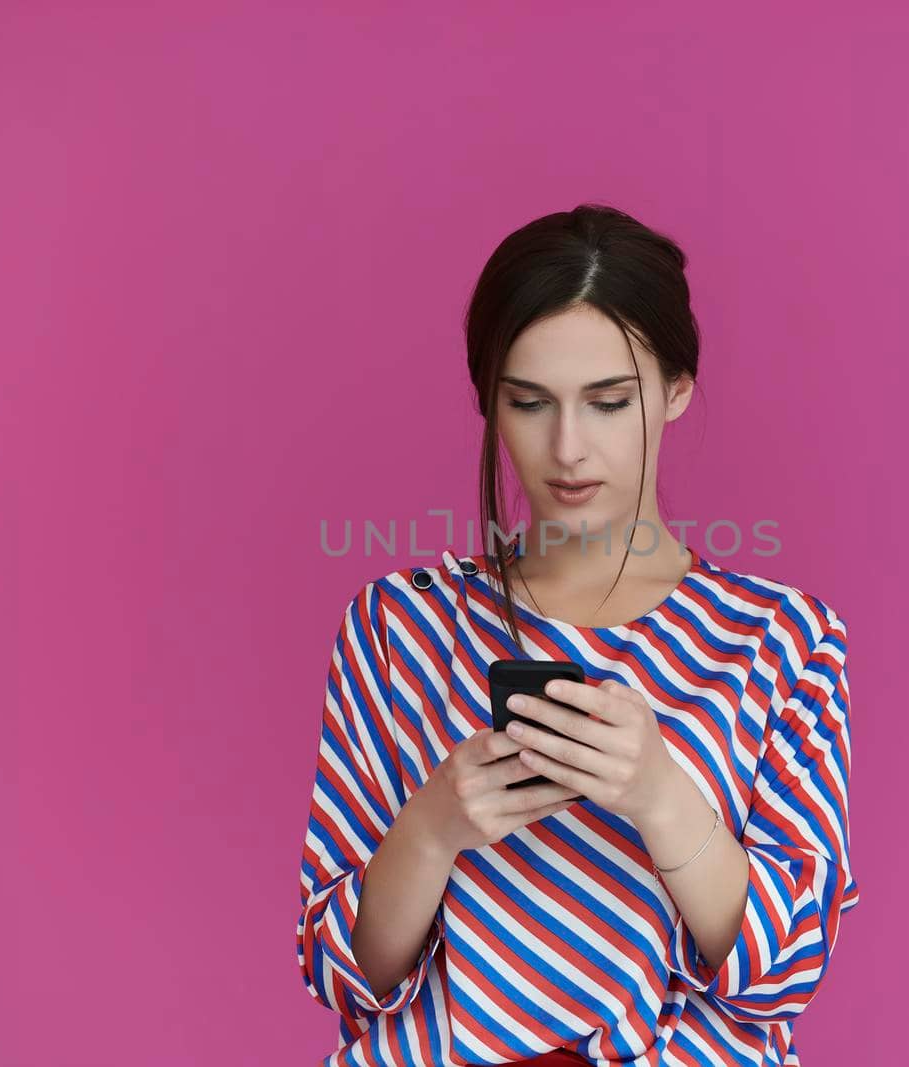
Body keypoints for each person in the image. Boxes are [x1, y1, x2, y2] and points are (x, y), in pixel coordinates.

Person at [295, 203, 859, 1066]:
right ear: (490, 399)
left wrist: (659, 795)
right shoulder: (396, 627)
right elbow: (345, 974)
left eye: (607, 402)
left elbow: (784, 973)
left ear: (676, 391)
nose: (567, 448)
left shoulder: (783, 642)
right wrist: (434, 825)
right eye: (529, 402)